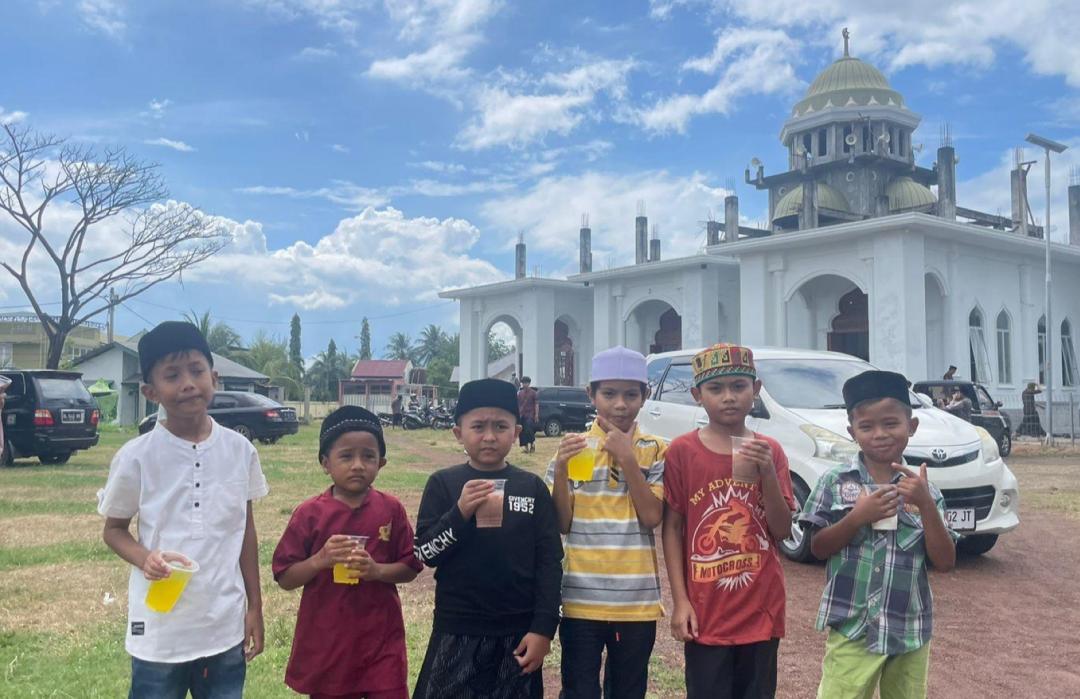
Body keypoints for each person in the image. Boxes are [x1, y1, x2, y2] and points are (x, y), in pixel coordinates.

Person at [98, 321, 268, 698]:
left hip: (223, 627)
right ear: (150, 391)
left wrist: (255, 607)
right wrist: (145, 558)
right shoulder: (136, 457)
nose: (188, 383)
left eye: (197, 370)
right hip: (159, 631)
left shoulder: (240, 452)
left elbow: (246, 532)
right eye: (172, 375)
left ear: (215, 377)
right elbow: (113, 530)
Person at [799, 370, 957, 699]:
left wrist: (926, 505)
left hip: (908, 630)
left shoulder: (925, 490)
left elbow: (944, 561)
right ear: (852, 431)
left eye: (891, 423)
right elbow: (817, 547)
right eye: (867, 426)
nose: (880, 434)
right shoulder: (835, 482)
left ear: (911, 427)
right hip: (853, 626)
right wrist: (856, 518)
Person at [412, 378, 563, 699]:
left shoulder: (531, 487)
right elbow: (426, 552)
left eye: (500, 426)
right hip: (458, 627)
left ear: (517, 432)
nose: (490, 436)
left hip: (517, 632)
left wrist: (543, 629)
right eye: (478, 426)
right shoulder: (444, 484)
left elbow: (550, 561)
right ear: (458, 433)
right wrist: (459, 512)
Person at [661, 343, 795, 699]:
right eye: (715, 389)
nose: (729, 397)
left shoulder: (771, 450)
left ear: (757, 389)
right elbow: (672, 527)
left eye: (739, 386)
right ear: (696, 395)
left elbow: (781, 530)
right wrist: (681, 600)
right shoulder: (682, 452)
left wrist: (766, 470)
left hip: (760, 610)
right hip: (706, 612)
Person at [273, 405, 422, 698]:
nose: (357, 465)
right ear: (325, 463)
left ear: (382, 462)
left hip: (382, 641)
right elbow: (285, 578)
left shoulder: (390, 509)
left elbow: (410, 567)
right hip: (329, 642)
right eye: (346, 456)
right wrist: (319, 560)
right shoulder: (310, 514)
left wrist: (377, 571)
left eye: (368, 456)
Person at [546, 346, 666, 699]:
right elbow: (563, 523)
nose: (620, 404)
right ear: (591, 394)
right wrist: (563, 470)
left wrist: (629, 459)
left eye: (631, 394)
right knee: (579, 689)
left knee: (628, 690)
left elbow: (652, 516)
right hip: (581, 598)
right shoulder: (575, 448)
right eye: (609, 394)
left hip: (635, 602)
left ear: (644, 396)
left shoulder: (656, 449)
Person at [517, 376, 539, 454]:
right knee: (522, 432)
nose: (524, 384)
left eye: (526, 383)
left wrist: (536, 414)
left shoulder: (533, 393)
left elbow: (536, 404)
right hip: (521, 415)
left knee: (528, 430)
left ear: (529, 383)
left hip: (530, 415)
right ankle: (526, 448)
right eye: (523, 383)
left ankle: (532, 445)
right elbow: (518, 405)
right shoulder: (520, 393)